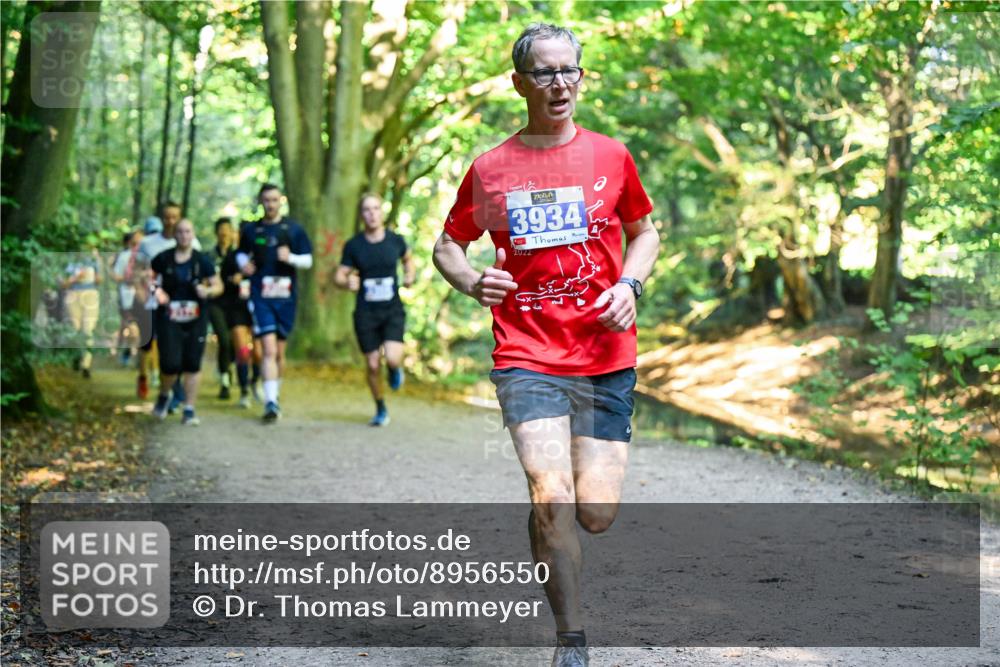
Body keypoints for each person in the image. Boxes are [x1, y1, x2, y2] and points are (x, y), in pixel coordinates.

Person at [431, 23, 659, 667]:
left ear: (581, 77)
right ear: (519, 83)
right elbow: (448, 245)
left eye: (569, 71)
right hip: (525, 354)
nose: (558, 84)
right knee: (550, 494)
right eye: (544, 73)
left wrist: (630, 284)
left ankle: (549, 533)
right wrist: (474, 281)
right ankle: (572, 640)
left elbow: (645, 232)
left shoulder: (612, 157)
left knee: (595, 514)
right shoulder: (491, 169)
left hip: (605, 354)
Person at [334, 193, 415, 426]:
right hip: (365, 312)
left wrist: (410, 275)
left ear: (382, 211)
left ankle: (393, 369)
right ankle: (380, 407)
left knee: (391, 358)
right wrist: (346, 282)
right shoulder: (354, 245)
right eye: (367, 210)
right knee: (371, 364)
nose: (372, 214)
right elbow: (339, 275)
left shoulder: (395, 241)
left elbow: (408, 260)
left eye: (376, 208)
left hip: (392, 310)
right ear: (361, 215)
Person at [236, 183, 313, 422]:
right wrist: (243, 265)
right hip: (262, 297)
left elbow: (308, 260)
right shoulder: (252, 230)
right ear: (260, 202)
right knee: (268, 349)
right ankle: (270, 403)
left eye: (274, 199)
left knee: (279, 353)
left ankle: (274, 394)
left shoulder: (294, 229)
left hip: (286, 298)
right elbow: (241, 253)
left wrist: (290, 258)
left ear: (282, 200)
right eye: (266, 200)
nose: (270, 204)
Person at [149, 219, 223, 425]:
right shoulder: (163, 258)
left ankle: (189, 408)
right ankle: (164, 395)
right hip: (169, 317)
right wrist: (158, 291)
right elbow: (148, 278)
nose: (183, 236)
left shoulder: (203, 261)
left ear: (193, 234)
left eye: (187, 232)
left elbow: (218, 286)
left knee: (192, 363)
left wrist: (207, 290)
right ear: (175, 235)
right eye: (180, 232)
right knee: (170, 364)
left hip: (196, 317)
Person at [138, 202, 201, 406]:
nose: (171, 221)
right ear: (161, 218)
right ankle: (150, 379)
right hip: (155, 305)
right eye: (167, 217)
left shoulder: (194, 244)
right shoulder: (148, 244)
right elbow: (141, 274)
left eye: (175, 217)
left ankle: (175, 392)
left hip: (183, 308)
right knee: (159, 349)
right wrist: (150, 294)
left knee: (179, 348)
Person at [219, 222, 262, 408]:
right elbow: (221, 282)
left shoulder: (261, 257)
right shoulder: (232, 258)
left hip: (258, 308)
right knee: (243, 351)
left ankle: (256, 382)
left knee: (259, 353)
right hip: (237, 309)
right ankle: (244, 390)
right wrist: (232, 280)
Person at [62, 249, 102, 379]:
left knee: (88, 330)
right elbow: (63, 283)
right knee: (74, 328)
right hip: (73, 296)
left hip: (91, 295)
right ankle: (77, 355)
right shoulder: (70, 261)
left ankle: (86, 365)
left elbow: (99, 280)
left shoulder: (94, 260)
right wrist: (75, 278)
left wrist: (98, 263)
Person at [208, 218, 236, 400]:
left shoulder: (240, 255)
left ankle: (227, 366)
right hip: (216, 304)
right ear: (216, 233)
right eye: (221, 230)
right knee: (224, 340)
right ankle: (225, 381)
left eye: (227, 230)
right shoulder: (209, 256)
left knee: (235, 344)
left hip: (236, 305)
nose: (224, 234)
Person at [112, 230, 143, 366]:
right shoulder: (124, 256)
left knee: (139, 329)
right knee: (132, 328)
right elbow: (116, 276)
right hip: (127, 298)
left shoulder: (146, 256)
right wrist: (129, 279)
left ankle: (133, 353)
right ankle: (129, 352)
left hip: (143, 299)